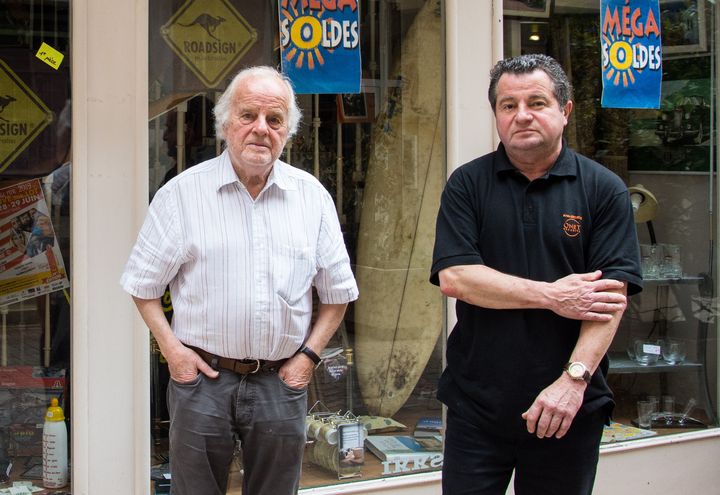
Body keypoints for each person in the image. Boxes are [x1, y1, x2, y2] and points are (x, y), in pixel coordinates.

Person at [121, 66, 359, 495]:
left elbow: (338, 294)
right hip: (202, 382)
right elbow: (143, 286)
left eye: (274, 119)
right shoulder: (182, 195)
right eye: (248, 115)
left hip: (280, 382)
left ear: (288, 130)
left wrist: (307, 358)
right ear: (225, 123)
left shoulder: (312, 198)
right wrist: (173, 352)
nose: (260, 129)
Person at [429, 54, 642, 495]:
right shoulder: (467, 185)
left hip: (567, 408)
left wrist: (573, 380)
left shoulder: (603, 190)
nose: (521, 115)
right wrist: (552, 295)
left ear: (564, 111)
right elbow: (456, 279)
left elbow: (609, 299)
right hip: (477, 407)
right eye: (508, 105)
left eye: (536, 102)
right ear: (496, 116)